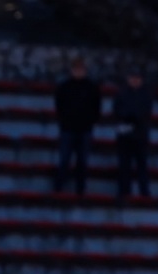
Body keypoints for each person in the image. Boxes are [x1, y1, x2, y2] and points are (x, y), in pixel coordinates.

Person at [54, 60, 101, 197]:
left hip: (85, 129)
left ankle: (80, 190)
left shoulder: (92, 87)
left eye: (81, 70)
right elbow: (59, 106)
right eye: (76, 69)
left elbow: (97, 107)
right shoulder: (64, 87)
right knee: (64, 160)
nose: (78, 72)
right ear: (72, 71)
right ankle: (59, 188)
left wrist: (90, 122)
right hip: (67, 129)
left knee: (82, 161)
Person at [113, 72, 153, 199]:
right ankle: (124, 192)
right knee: (124, 166)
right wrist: (130, 117)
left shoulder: (146, 95)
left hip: (140, 136)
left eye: (137, 78)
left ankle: (144, 192)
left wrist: (131, 117)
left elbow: (145, 113)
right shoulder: (121, 94)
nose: (135, 81)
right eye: (133, 78)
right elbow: (117, 111)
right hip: (125, 136)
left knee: (142, 166)